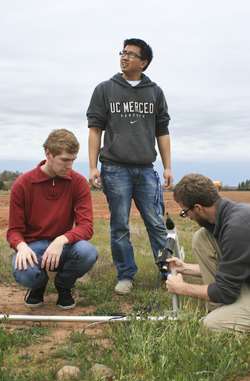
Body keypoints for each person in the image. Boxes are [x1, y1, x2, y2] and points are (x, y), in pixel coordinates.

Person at [87, 38, 173, 295]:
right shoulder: (104, 89)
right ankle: (126, 275)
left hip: (146, 169)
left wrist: (167, 167)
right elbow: (95, 131)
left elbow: (163, 132)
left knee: (156, 223)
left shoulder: (155, 92)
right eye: (122, 53)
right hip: (114, 169)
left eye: (131, 54)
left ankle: (168, 272)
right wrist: (92, 167)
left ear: (143, 62)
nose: (124, 57)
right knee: (120, 225)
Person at [7, 129, 98, 309]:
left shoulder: (78, 183)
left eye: (73, 160)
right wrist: (21, 246)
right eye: (64, 160)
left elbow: (86, 226)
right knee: (23, 271)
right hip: (34, 248)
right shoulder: (23, 184)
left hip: (64, 247)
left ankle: (64, 286)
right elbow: (14, 231)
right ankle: (38, 286)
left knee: (88, 252)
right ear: (48, 154)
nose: (70, 165)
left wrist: (61, 239)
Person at [166, 173, 250, 332]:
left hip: (234, 289)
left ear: (198, 208)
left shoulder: (236, 230)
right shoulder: (228, 216)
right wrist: (186, 268)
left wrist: (181, 288)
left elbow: (226, 291)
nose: (188, 217)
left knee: (211, 325)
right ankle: (220, 307)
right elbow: (233, 267)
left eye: (185, 212)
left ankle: (226, 312)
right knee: (202, 237)